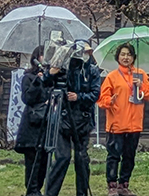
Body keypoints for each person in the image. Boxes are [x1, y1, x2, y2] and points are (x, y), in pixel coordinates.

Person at [45, 39, 103, 196]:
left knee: (81, 158)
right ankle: (50, 193)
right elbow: (47, 84)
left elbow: (95, 94)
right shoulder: (64, 68)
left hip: (83, 121)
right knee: (62, 157)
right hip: (62, 119)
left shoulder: (92, 70)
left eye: (85, 52)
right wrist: (52, 71)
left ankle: (82, 192)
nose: (81, 56)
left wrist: (79, 96)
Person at [97, 42, 149, 196]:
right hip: (116, 123)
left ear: (133, 57)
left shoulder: (140, 74)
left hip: (135, 124)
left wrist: (141, 85)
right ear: (118, 57)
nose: (125, 57)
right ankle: (112, 185)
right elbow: (102, 100)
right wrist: (111, 101)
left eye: (128, 54)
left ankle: (124, 184)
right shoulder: (112, 76)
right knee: (114, 156)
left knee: (129, 156)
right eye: (122, 54)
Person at [15, 46, 50, 196]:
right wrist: (37, 81)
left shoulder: (51, 77)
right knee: (33, 160)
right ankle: (32, 190)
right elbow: (27, 98)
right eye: (42, 55)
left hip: (47, 123)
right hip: (32, 124)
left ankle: (38, 189)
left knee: (44, 160)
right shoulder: (28, 77)